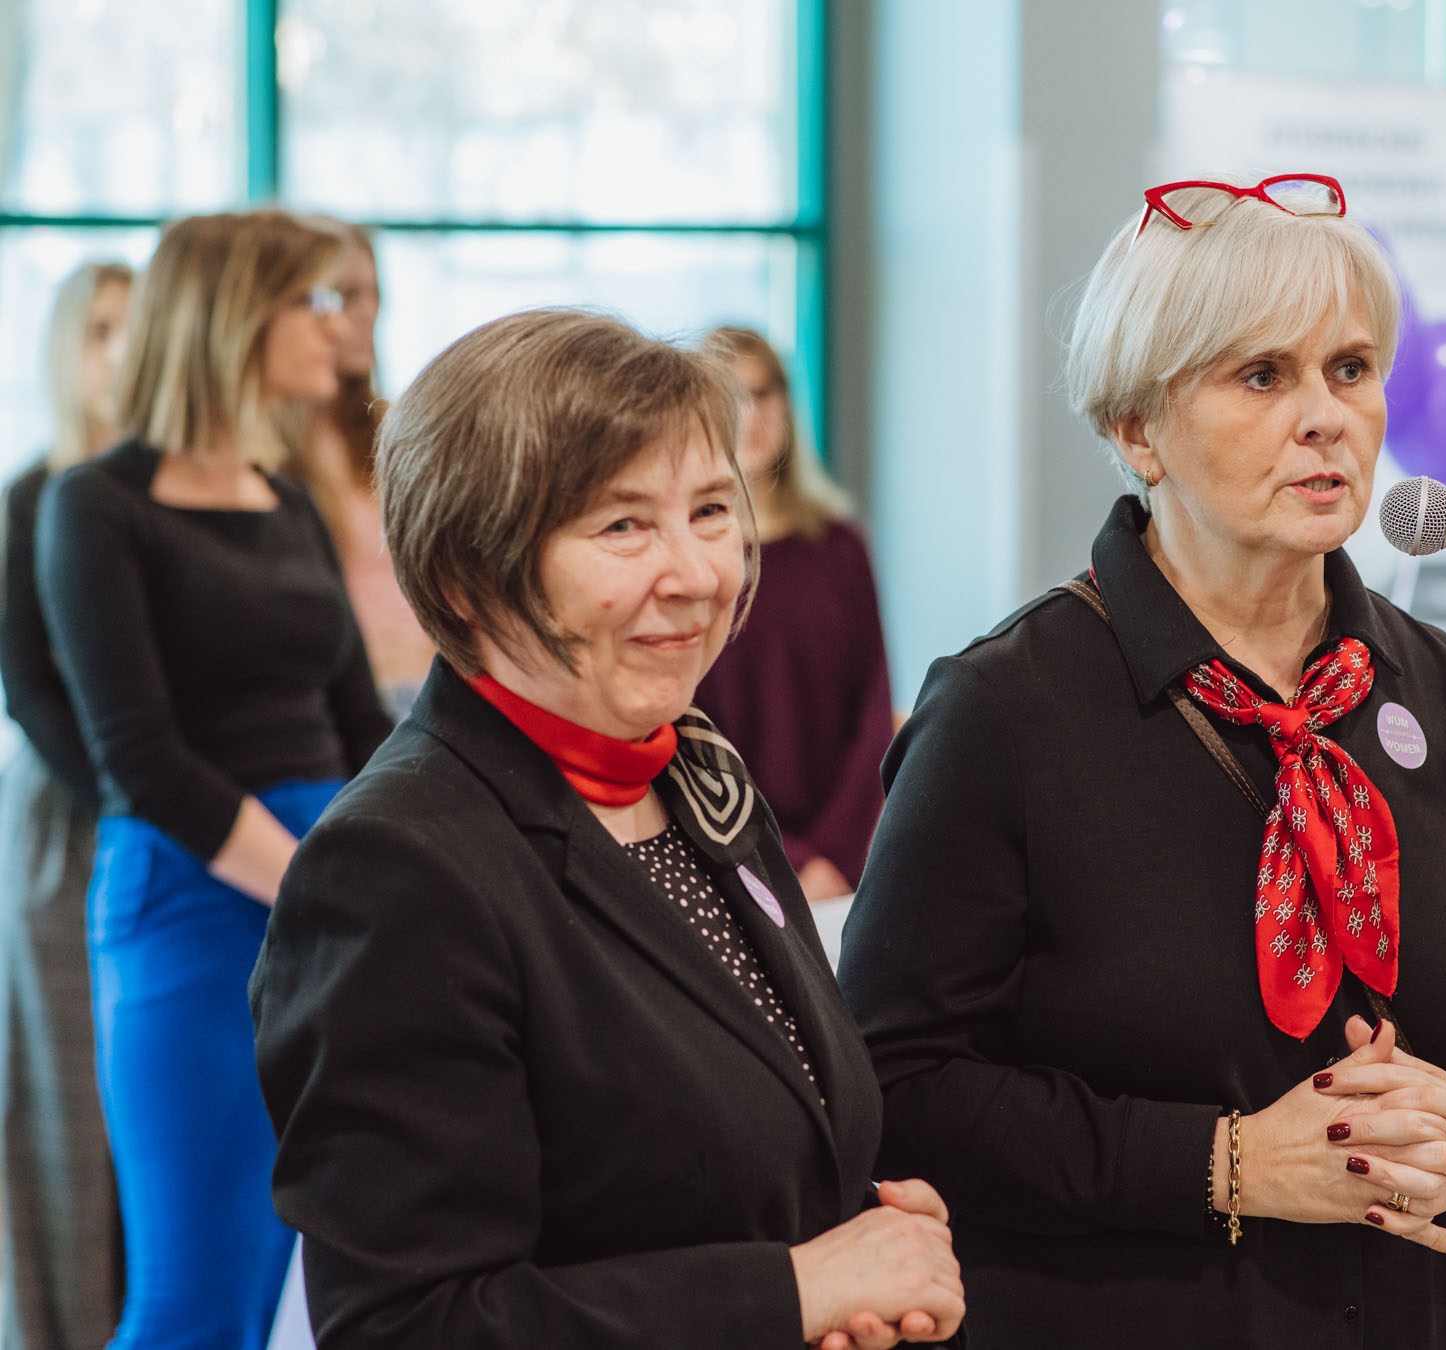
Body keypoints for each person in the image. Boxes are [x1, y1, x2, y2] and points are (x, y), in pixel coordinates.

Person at [837, 173, 1446, 1348]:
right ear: (1135, 429)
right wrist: (1226, 1163)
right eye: (1261, 375)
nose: (1325, 417)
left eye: (1349, 369)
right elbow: (895, 1087)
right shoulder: (1005, 709)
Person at [250, 309, 964, 1350]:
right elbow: (407, 1325)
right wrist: (790, 1287)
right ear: (463, 575)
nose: (698, 573)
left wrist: (863, 1234)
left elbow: (751, 1134)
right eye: (623, 526)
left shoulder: (693, 767)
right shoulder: (396, 867)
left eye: (710, 510)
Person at [36, 210, 393, 1350]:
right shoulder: (95, 504)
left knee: (306, 1290)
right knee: (197, 1294)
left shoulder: (289, 501)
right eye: (313, 300)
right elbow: (139, 757)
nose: (337, 326)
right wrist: (317, 887)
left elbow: (359, 723)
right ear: (237, 315)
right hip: (194, 896)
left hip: (326, 879)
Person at [0, 258, 132, 1350]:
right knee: (68, 1101)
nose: (122, 352)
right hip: (71, 826)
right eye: (100, 330)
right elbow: (31, 691)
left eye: (138, 328)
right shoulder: (34, 495)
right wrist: (136, 799)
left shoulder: (179, 494)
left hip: (181, 824)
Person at [693, 327, 892, 900]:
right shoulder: (689, 563)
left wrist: (831, 857)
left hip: (842, 867)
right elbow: (688, 732)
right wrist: (789, 858)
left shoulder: (841, 547)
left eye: (763, 392)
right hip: (726, 854)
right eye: (731, 397)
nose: (751, 415)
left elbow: (874, 712)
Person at [282, 218, 435, 716]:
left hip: (428, 682)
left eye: (374, 294)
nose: (366, 313)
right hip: (342, 697)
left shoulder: (395, 427)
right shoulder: (265, 454)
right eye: (346, 296)